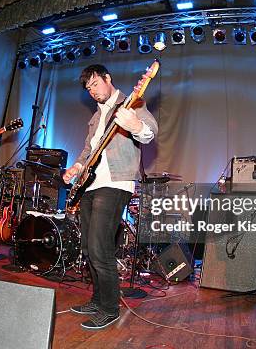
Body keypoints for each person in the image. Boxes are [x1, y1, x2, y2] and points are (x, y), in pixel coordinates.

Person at [63, 64, 157, 330]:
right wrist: (76, 168)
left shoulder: (131, 102)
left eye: (95, 84)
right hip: (90, 185)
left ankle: (110, 308)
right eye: (88, 88)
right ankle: (97, 300)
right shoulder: (95, 118)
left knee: (99, 247)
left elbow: (149, 132)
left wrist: (135, 124)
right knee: (87, 249)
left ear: (107, 78)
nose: (92, 91)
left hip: (116, 183)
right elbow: (87, 151)